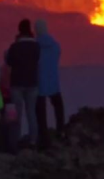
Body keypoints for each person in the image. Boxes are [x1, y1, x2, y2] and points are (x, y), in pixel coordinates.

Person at [6, 19, 40, 149]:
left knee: (15, 114)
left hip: (17, 84)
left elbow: (9, 62)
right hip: (32, 83)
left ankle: (13, 143)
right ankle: (33, 141)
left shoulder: (15, 47)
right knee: (31, 112)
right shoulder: (36, 47)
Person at [34, 19, 65, 149]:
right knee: (58, 105)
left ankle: (43, 135)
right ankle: (61, 130)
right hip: (53, 80)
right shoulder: (55, 45)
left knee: (40, 111)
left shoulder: (35, 47)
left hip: (39, 81)